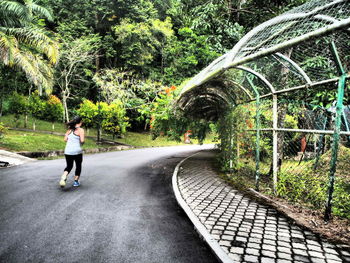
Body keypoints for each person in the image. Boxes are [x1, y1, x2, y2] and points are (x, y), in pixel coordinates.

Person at [59, 116, 85, 188]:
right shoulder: (81, 130)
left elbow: (65, 139)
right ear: (80, 122)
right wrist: (81, 143)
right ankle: (76, 182)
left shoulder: (69, 130)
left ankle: (64, 176)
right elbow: (82, 141)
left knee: (69, 166)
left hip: (68, 151)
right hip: (77, 151)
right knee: (78, 165)